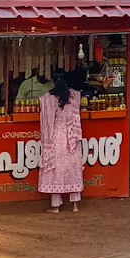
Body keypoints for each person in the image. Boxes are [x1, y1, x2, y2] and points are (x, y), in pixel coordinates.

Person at [38, 68, 84, 213]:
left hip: (55, 137)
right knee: (72, 168)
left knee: (55, 170)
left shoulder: (48, 97)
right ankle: (75, 205)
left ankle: (56, 205)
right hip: (71, 138)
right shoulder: (75, 95)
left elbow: (45, 120)